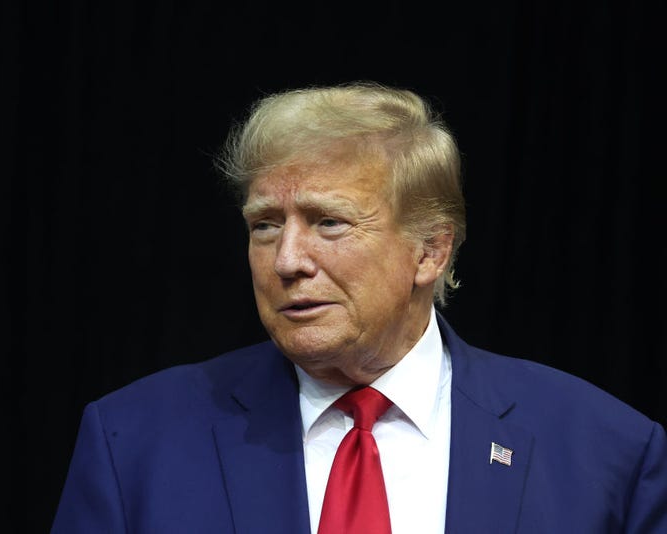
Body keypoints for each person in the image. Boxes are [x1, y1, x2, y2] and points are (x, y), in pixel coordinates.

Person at [51, 82, 667, 533]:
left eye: (329, 222)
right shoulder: (133, 442)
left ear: (429, 251)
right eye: (265, 225)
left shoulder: (604, 451)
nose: (288, 259)